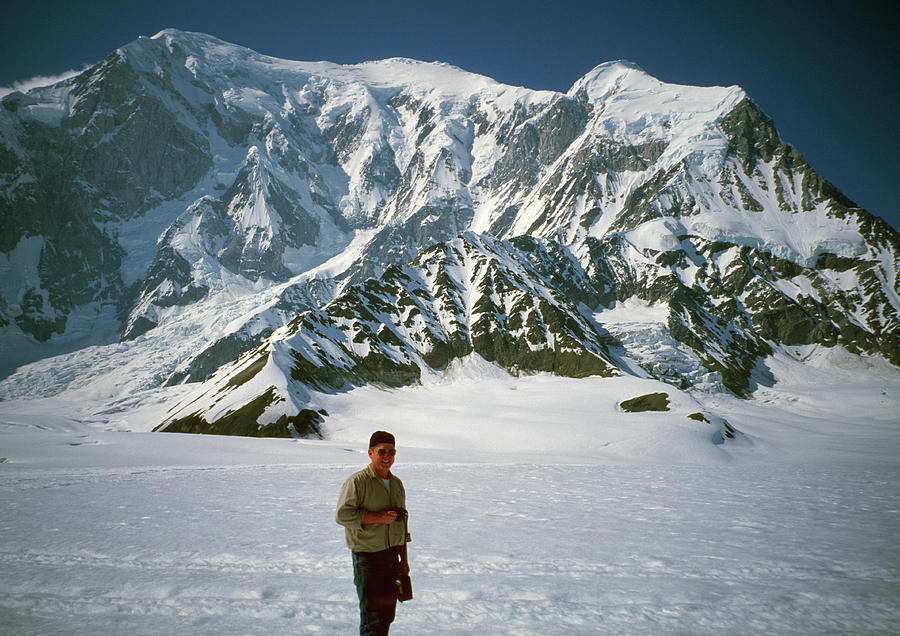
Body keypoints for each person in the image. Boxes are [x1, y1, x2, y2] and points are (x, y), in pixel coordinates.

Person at [336, 430, 411, 636]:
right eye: (381, 452)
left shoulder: (396, 484)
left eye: (391, 452)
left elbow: (401, 525)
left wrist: (403, 561)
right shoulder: (357, 482)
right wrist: (376, 517)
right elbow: (342, 515)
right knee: (372, 618)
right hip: (367, 559)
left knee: (387, 615)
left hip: (391, 558)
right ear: (370, 453)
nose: (387, 456)